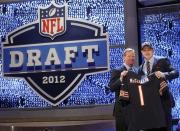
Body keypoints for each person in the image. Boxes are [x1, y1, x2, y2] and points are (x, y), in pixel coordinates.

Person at [138, 42, 179, 131]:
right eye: (144, 50)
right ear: (141, 52)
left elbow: (176, 73)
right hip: (150, 104)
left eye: (149, 49)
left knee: (166, 127)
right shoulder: (140, 68)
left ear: (153, 50)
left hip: (163, 100)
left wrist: (164, 74)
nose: (147, 52)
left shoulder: (162, 60)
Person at [109, 48, 136, 131]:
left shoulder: (137, 71)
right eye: (129, 56)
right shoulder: (117, 70)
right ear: (124, 58)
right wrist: (121, 78)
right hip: (122, 109)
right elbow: (112, 87)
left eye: (133, 56)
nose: (132, 58)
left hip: (135, 109)